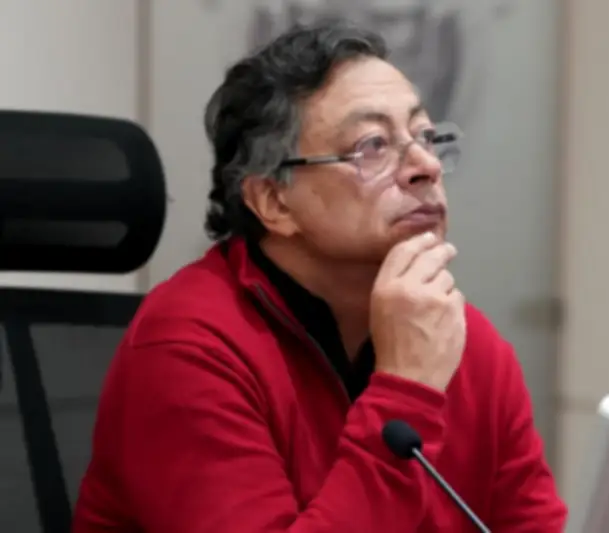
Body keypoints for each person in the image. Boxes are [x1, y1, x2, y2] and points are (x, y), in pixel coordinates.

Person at [72, 21, 567, 533]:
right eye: (373, 145)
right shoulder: (187, 348)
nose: (425, 166)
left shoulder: (465, 341)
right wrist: (407, 389)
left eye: (426, 136)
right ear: (274, 201)